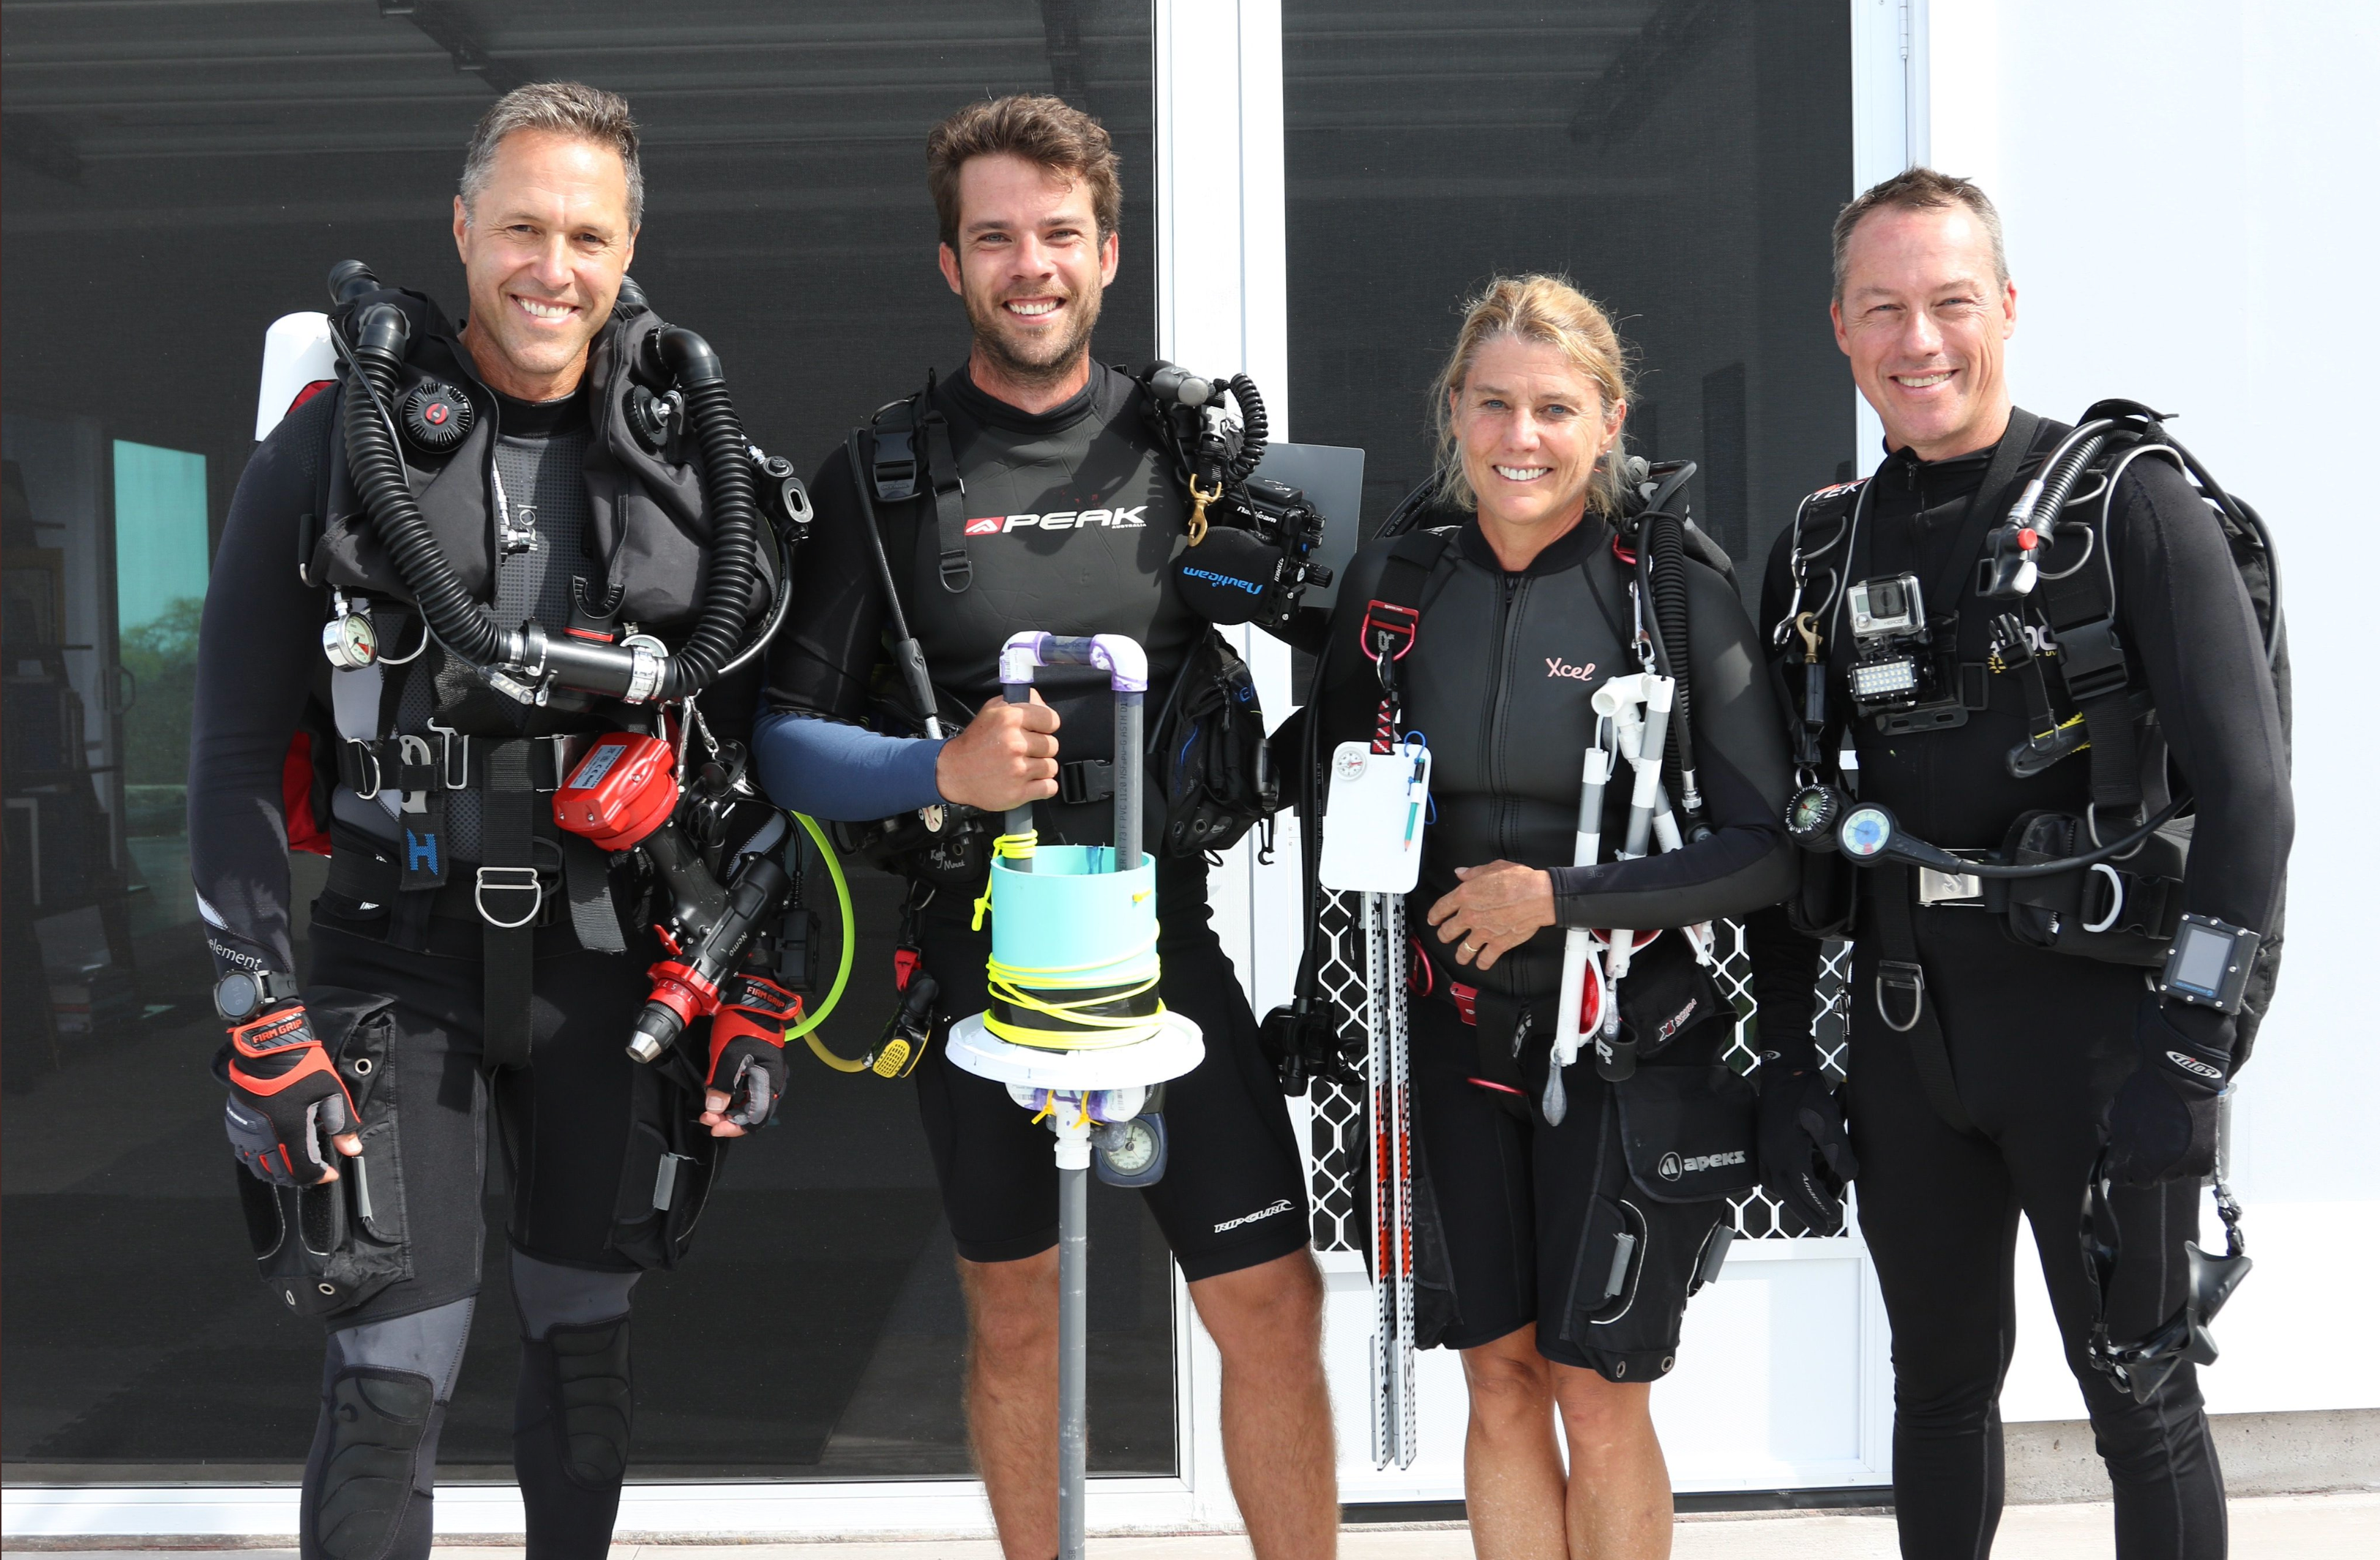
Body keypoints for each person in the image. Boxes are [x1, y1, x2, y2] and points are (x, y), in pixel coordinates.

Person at [192, 82, 796, 1560]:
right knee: (392, 1377)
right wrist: (255, 1004)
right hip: (397, 955)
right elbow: (225, 752)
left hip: (614, 964)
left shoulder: (687, 462)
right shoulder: (335, 452)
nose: (553, 264)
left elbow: (755, 747)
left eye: (587, 231)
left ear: (630, 242)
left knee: (586, 1360)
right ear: (463, 230)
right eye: (522, 224)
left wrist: (747, 987)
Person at [752, 96, 1336, 1560]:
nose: (1032, 264)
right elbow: (777, 744)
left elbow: (1362, 640)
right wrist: (935, 771)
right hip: (980, 957)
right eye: (996, 237)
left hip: (1168, 943)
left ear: (1108, 253)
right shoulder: (880, 480)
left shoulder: (1193, 454)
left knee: (1271, 1302)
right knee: (1016, 1317)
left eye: (1059, 234)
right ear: (951, 264)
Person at [1748, 169, 2291, 1560]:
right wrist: (1789, 1063)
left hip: (2102, 1036)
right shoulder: (1819, 547)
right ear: (1841, 329)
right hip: (1906, 1028)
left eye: (1947, 303)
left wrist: (2194, 1050)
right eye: (1884, 310)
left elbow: (2252, 800)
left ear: (2006, 309)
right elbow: (1786, 819)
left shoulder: (2129, 508)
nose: (1917, 340)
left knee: (2139, 1393)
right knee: (1934, 1389)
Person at [1308, 276, 1796, 1559]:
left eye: (1554, 408)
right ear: (1454, 414)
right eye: (1494, 405)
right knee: (1500, 1377)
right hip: (1449, 1045)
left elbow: (1764, 854)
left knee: (1600, 1387)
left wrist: (1558, 900)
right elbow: (1340, 813)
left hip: (1628, 1045)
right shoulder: (1395, 586)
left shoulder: (1671, 592)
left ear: (1609, 419)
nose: (1520, 437)